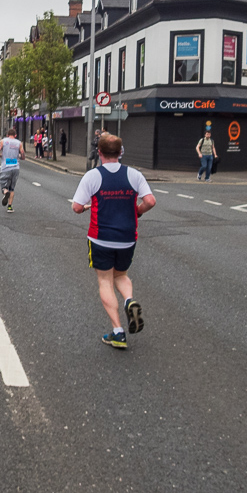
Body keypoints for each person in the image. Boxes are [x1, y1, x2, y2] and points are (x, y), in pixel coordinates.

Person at [71, 133, 156, 349]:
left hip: (100, 237)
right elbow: (151, 201)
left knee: (105, 281)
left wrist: (88, 206)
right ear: (120, 152)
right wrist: (137, 211)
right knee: (121, 275)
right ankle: (129, 300)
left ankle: (118, 332)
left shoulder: (92, 176)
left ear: (99, 153)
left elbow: (76, 207)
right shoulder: (134, 175)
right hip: (127, 237)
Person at [0, 127, 25, 213]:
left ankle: (5, 192)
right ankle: (10, 206)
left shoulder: (3, 141)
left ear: (7, 134)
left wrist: (2, 156)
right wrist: (20, 157)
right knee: (12, 187)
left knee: (3, 184)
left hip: (5, 166)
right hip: (15, 166)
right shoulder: (19, 143)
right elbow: (22, 155)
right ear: (15, 135)